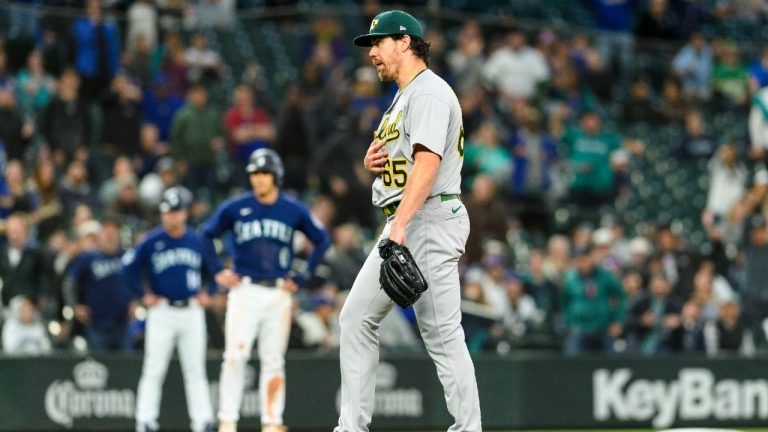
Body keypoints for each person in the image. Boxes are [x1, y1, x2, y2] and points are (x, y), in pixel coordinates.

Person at [337, 11, 482, 432]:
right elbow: (406, 160)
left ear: (404, 41)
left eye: (378, 43)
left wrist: (400, 223)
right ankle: (351, 428)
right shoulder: (406, 96)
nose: (373, 54)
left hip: (427, 218)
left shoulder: (430, 93)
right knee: (356, 319)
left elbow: (428, 162)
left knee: (442, 335)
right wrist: (374, 163)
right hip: (408, 219)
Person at [201, 148, 330, 432]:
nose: (259, 179)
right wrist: (217, 270)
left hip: (278, 293)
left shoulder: (292, 209)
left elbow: (321, 239)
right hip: (244, 290)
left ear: (277, 176)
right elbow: (206, 234)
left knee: (273, 360)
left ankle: (272, 421)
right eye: (255, 174)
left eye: (264, 174)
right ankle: (227, 421)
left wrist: (303, 274)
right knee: (235, 355)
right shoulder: (236, 207)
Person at [124, 186, 217, 432]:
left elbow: (215, 270)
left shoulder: (197, 240)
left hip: (191, 310)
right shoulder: (152, 241)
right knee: (154, 368)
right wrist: (143, 295)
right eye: (167, 212)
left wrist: (211, 292)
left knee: (195, 369)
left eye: (175, 212)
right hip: (162, 310)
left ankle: (203, 422)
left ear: (185, 213)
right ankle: (145, 421)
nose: (171, 217)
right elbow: (128, 269)